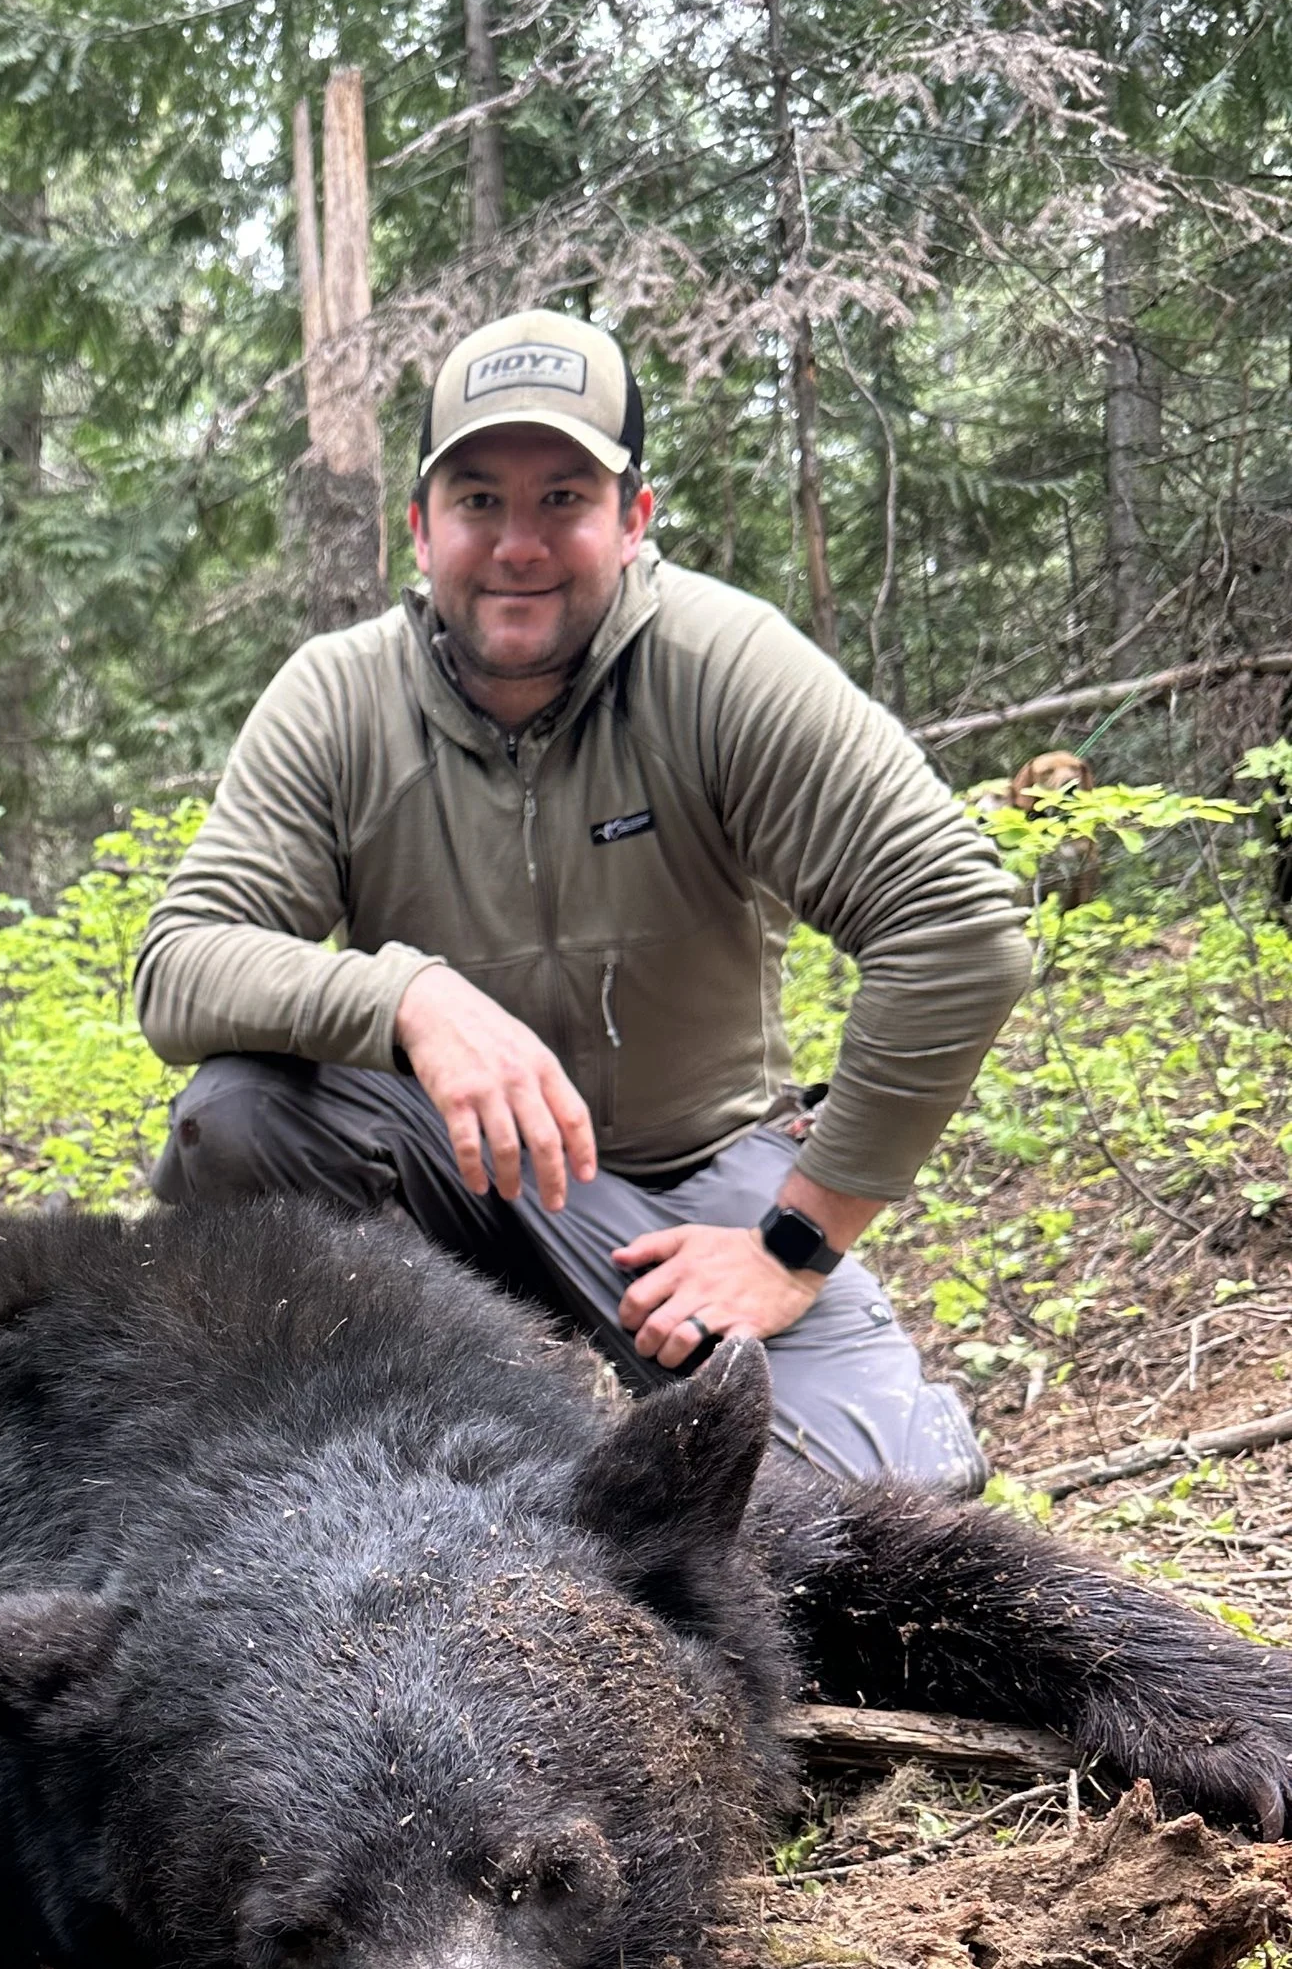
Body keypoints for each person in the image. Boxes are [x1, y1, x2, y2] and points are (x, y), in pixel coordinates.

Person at [135, 310, 1033, 1492]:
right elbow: (181, 962)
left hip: (691, 1181)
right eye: (477, 503)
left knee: (883, 1512)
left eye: (563, 498)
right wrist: (410, 997)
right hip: (443, 1171)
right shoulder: (340, 699)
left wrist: (793, 1243)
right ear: (419, 529)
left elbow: (959, 929)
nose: (517, 545)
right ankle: (368, 1443)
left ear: (633, 519)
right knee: (243, 1114)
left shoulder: (718, 668)